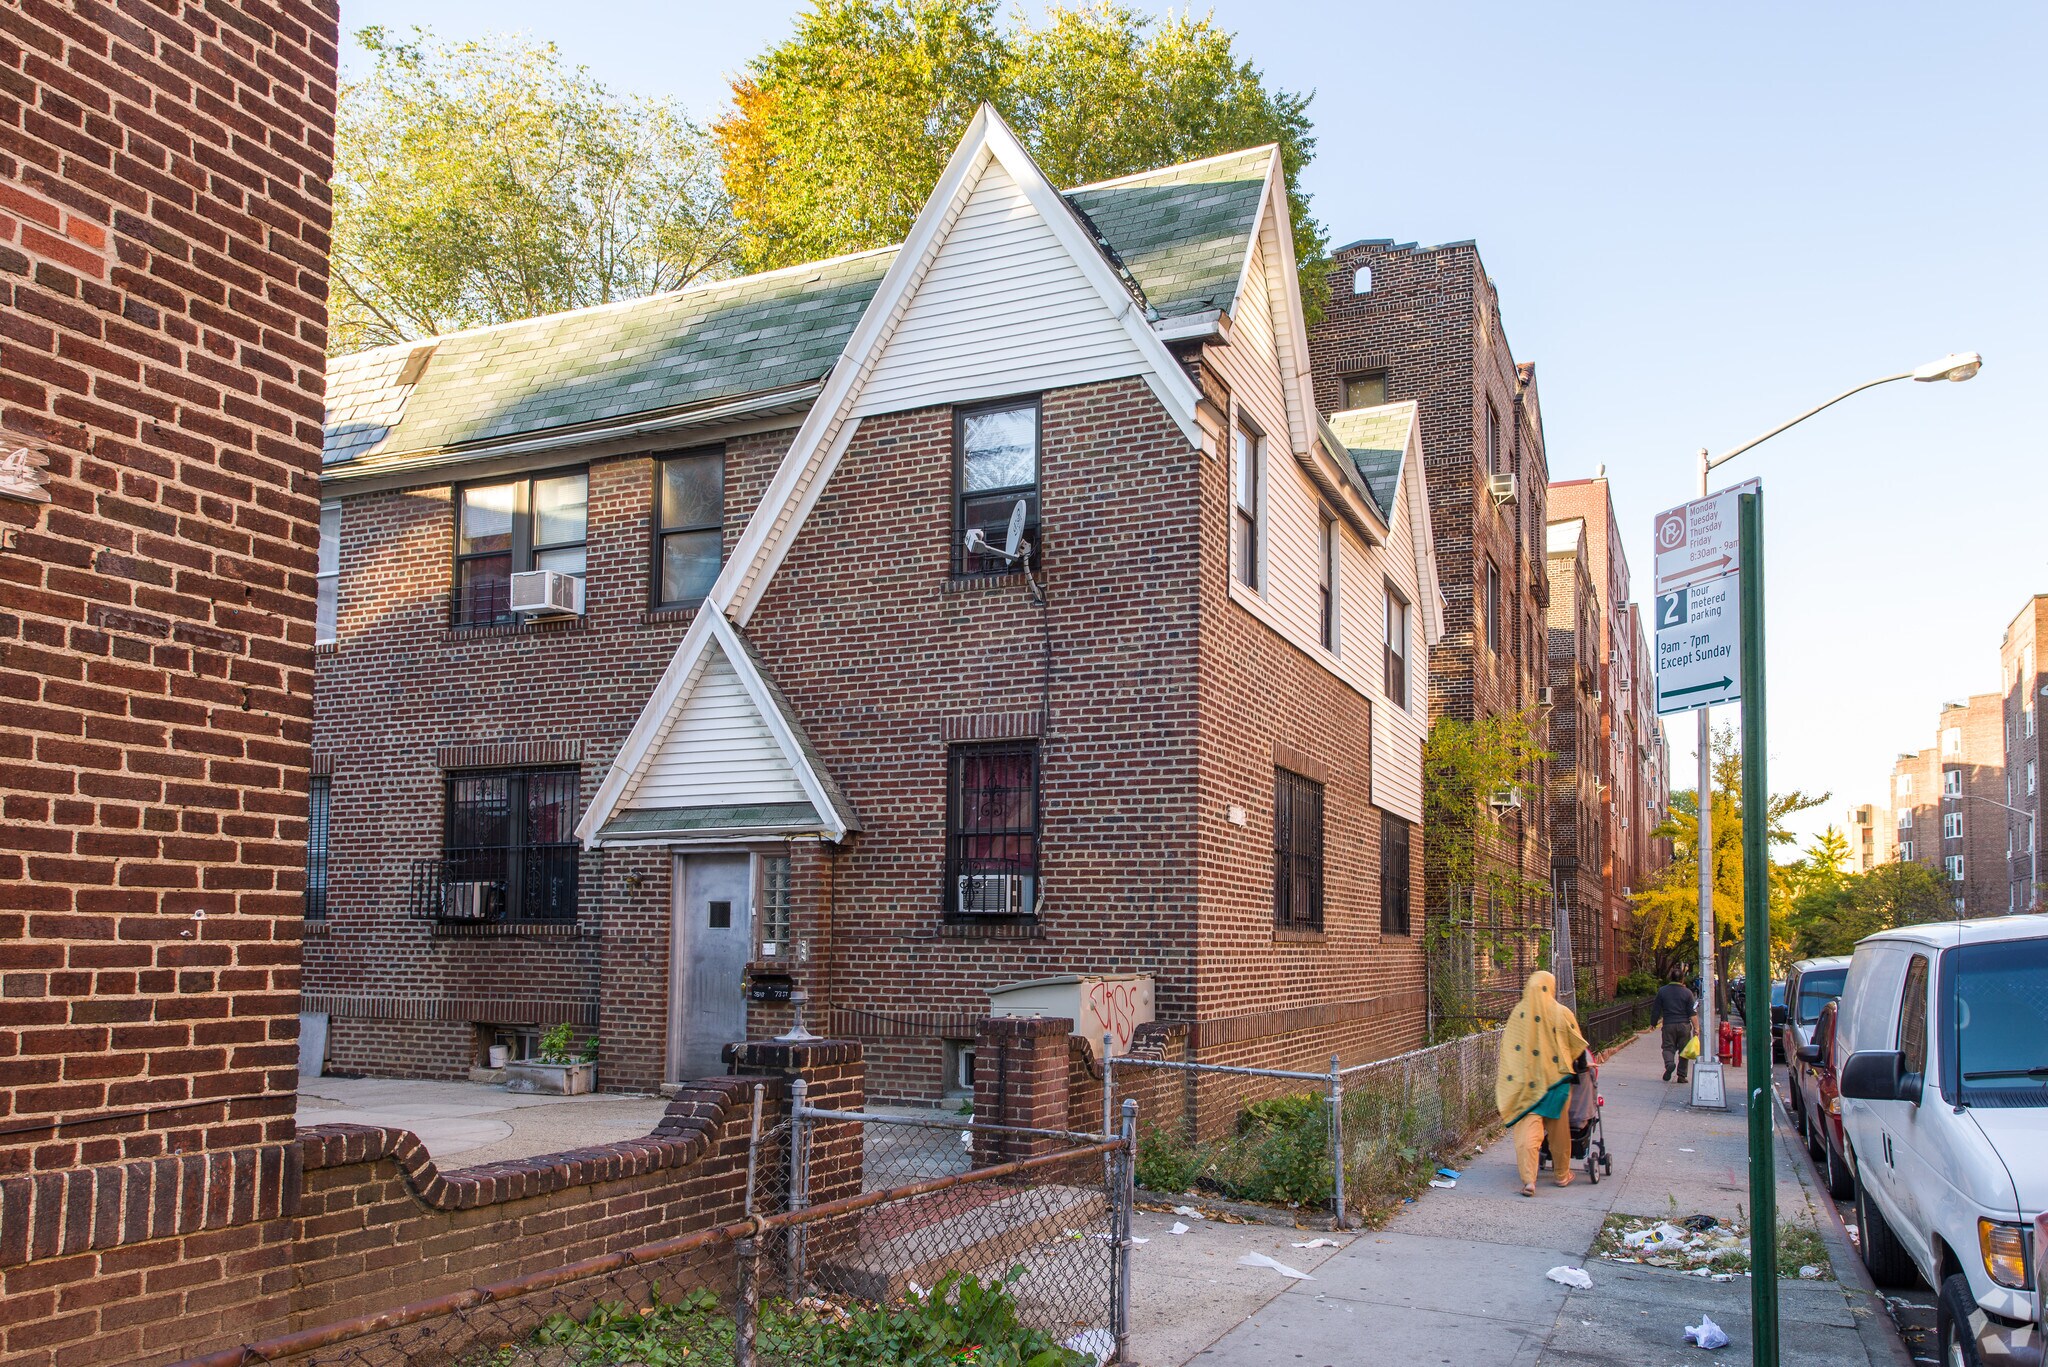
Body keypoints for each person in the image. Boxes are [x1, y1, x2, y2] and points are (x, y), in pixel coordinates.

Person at [1496, 970, 1590, 1198]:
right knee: (1559, 1133)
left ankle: (1529, 1180)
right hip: (1556, 1084)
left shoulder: (1518, 1014)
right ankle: (1561, 1175)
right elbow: (1575, 1043)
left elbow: (1510, 1050)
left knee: (1527, 1134)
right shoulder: (1560, 1012)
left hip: (1526, 1086)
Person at [1654, 972, 1699, 1083]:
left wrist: (1653, 1023)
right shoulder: (1687, 993)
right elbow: (1692, 1012)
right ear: (1682, 979)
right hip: (1684, 1025)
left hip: (1668, 1024)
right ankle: (1681, 1075)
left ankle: (1669, 1064)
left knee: (1668, 1048)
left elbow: (1656, 1009)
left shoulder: (1662, 991)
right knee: (1684, 1051)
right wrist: (1696, 1028)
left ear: (1670, 978)